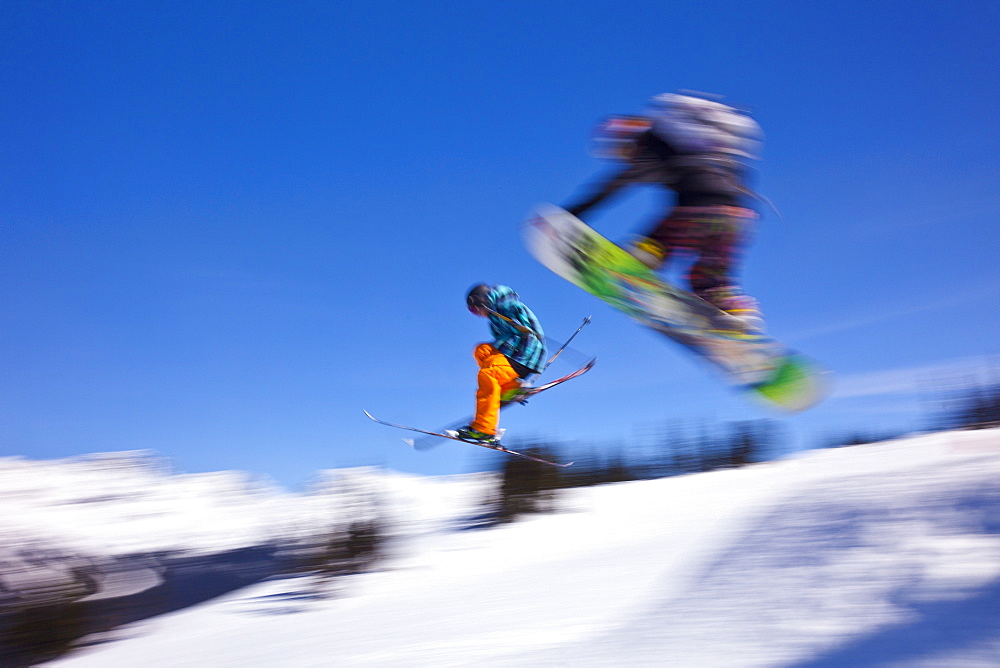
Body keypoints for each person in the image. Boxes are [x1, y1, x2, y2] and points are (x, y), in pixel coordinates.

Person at [562, 92, 767, 330]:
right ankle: (738, 312)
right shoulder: (707, 152)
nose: (624, 157)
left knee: (658, 240)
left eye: (621, 149)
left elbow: (615, 184)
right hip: (738, 218)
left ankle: (643, 258)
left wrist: (573, 214)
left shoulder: (654, 146)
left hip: (695, 212)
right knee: (710, 279)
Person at [450, 284, 546, 444]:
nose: (477, 315)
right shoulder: (493, 320)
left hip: (525, 353)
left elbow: (511, 301)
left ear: (481, 301)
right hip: (511, 351)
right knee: (481, 351)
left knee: (487, 374)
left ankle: (484, 430)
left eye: (474, 310)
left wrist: (495, 302)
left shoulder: (503, 303)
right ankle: (510, 388)